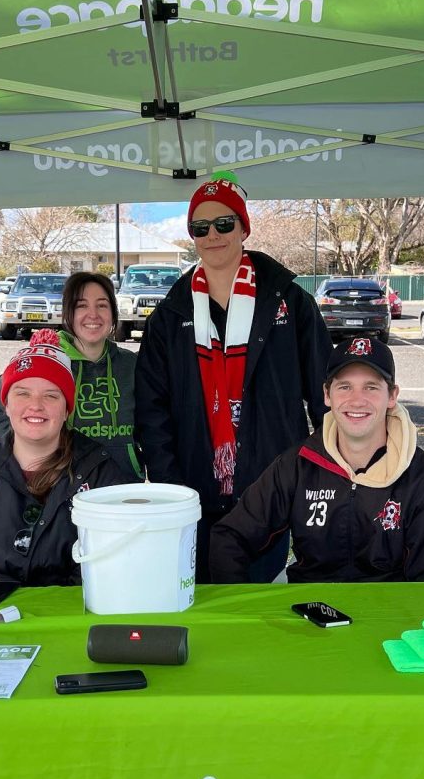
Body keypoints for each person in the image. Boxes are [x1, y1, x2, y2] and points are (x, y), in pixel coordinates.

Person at [135, 171, 331, 582]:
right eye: (199, 227)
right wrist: (172, 486)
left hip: (270, 483)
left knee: (255, 602)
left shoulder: (290, 303)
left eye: (225, 223)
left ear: (244, 227)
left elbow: (323, 395)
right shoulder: (171, 313)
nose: (213, 235)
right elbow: (153, 410)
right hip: (194, 488)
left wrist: (309, 473)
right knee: (199, 600)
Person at [209, 336, 424, 583]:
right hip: (309, 613)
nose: (357, 400)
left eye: (371, 387)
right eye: (344, 387)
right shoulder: (297, 466)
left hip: (391, 618)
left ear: (392, 396)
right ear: (327, 395)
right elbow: (230, 537)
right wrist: (242, 607)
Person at [0, 330, 136, 589]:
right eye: (23, 393)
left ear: (67, 408)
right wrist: (11, 597)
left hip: (71, 622)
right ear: (6, 405)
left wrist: (51, 606)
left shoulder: (102, 473)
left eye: (51, 395)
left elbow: (117, 561)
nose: (36, 405)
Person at [0, 272, 142, 478]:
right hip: (62, 487)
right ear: (68, 313)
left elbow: (154, 421)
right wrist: (31, 443)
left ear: (113, 313)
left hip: (122, 484)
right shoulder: (46, 360)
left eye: (102, 305)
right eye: (81, 305)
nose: (93, 314)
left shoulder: (132, 365)